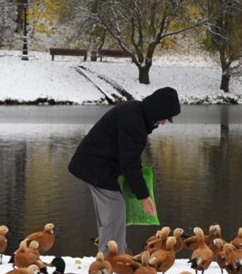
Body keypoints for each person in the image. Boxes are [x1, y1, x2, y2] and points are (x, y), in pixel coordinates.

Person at [68, 87, 181, 255]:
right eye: (165, 117)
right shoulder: (134, 122)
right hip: (97, 168)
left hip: (93, 166)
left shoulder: (135, 111)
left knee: (110, 215)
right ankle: (111, 262)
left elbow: (128, 156)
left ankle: (109, 257)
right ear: (158, 110)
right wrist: (143, 196)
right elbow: (130, 162)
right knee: (115, 211)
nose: (164, 122)